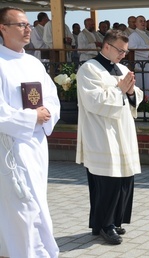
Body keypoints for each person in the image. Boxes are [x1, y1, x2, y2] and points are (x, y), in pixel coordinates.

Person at [0, 6, 60, 257]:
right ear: (2, 28)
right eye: (21, 25)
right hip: (10, 149)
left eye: (28, 25)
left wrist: (46, 114)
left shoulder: (34, 62)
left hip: (36, 147)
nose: (28, 29)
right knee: (22, 208)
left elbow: (52, 99)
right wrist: (31, 117)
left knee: (36, 202)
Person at [76, 29, 143, 245]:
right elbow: (93, 101)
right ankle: (103, 225)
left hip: (123, 130)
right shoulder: (89, 70)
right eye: (121, 50)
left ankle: (114, 220)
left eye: (126, 51)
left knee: (124, 179)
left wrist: (131, 92)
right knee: (107, 180)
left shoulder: (122, 68)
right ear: (107, 46)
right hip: (101, 133)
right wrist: (121, 90)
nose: (124, 54)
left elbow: (134, 95)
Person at [128, 15, 149, 94]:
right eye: (141, 21)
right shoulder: (133, 35)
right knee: (142, 84)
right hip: (141, 63)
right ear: (136, 24)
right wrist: (148, 48)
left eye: (144, 21)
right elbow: (131, 47)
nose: (143, 23)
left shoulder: (147, 34)